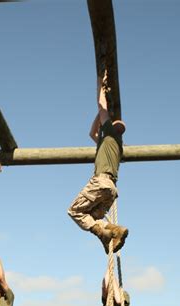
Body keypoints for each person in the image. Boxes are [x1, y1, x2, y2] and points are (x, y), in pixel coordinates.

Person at [68, 71, 128, 252]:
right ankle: (114, 231)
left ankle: (104, 235)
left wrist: (100, 83)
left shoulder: (109, 133)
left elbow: (101, 106)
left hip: (101, 183)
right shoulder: (115, 146)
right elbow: (92, 134)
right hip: (111, 190)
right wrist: (99, 114)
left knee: (75, 211)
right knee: (94, 219)